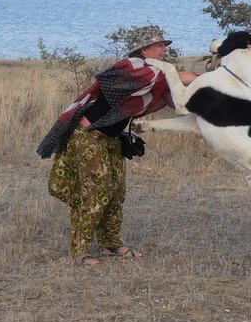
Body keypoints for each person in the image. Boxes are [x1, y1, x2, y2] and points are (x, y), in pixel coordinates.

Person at [37, 25, 199, 265]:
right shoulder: (130, 67)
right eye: (160, 44)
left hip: (111, 137)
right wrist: (175, 74)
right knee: (96, 192)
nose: (165, 48)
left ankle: (112, 245)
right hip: (88, 136)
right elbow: (162, 79)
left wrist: (212, 79)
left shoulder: (155, 74)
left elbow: (174, 90)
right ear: (144, 49)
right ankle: (79, 251)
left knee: (116, 192)